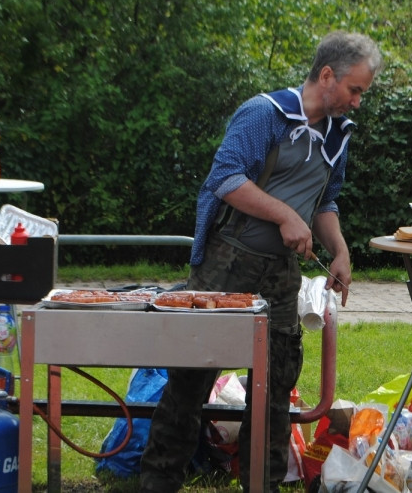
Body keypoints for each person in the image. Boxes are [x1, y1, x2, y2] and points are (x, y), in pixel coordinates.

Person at [139, 31, 383, 493]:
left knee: (274, 387)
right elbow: (224, 178)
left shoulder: (338, 135)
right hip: (226, 263)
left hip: (281, 276)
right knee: (193, 376)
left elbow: (325, 202)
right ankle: (157, 481)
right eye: (355, 90)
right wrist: (286, 215)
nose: (357, 102)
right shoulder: (263, 113)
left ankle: (262, 483)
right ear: (327, 75)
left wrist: (342, 251)